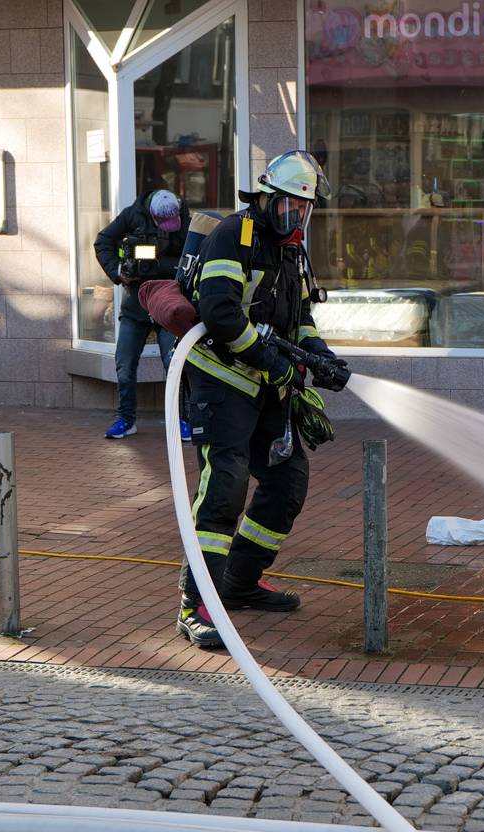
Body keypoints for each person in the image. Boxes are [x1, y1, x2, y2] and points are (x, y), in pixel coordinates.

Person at [173, 150, 350, 650]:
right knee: (223, 489)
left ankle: (239, 582)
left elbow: (299, 319)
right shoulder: (234, 235)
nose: (295, 216)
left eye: (303, 209)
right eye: (289, 205)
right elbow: (221, 313)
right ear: (267, 197)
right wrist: (274, 363)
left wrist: (320, 356)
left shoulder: (291, 250)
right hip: (221, 382)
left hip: (266, 385)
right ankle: (195, 604)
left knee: (286, 483)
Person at [95, 188, 188, 440]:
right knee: (124, 363)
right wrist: (118, 271)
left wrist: (160, 264)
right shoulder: (132, 215)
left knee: (175, 363)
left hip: (169, 301)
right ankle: (126, 419)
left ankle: (182, 419)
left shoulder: (185, 219)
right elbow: (103, 241)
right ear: (152, 215)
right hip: (136, 302)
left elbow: (193, 256)